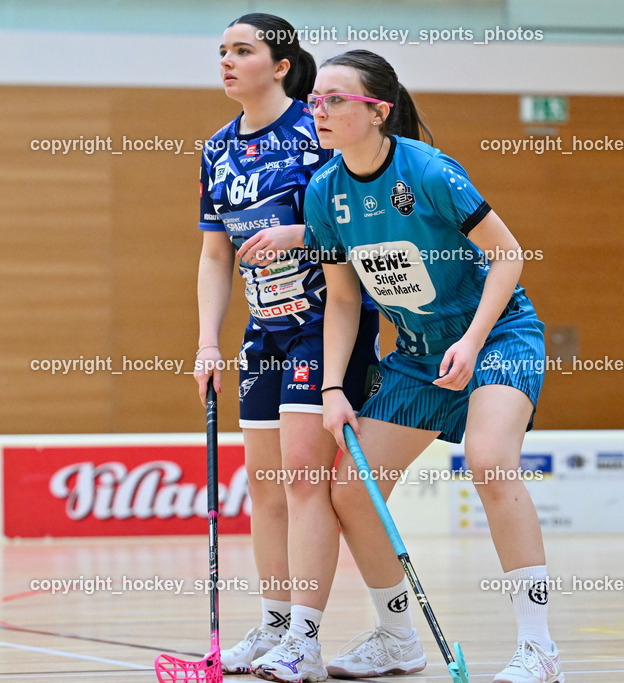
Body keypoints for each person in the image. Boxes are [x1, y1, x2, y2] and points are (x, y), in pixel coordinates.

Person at [252, 49, 562, 683]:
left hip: (498, 336)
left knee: (489, 460)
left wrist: (472, 341)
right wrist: (333, 387)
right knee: (353, 493)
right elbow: (343, 300)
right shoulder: (324, 192)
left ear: (378, 111)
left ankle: (539, 650)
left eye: (335, 99)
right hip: (418, 357)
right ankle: (397, 639)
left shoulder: (429, 172)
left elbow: (509, 254)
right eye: (315, 101)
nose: (319, 111)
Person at [194, 14, 379, 678]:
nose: (226, 60)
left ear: (279, 65)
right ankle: (274, 625)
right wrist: (206, 342)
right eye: (222, 51)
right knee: (266, 485)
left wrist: (297, 235)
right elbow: (215, 255)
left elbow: (356, 222)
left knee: (305, 479)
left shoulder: (315, 131)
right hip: (263, 330)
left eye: (242, 50)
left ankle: (305, 636)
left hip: (326, 322)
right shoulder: (217, 149)